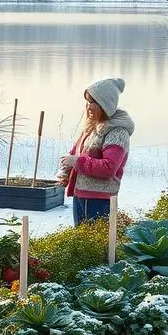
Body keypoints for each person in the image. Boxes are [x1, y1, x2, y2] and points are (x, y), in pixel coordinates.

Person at [57, 78, 134, 226]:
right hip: (81, 196)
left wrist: (76, 162)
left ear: (105, 105)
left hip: (99, 200)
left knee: (96, 245)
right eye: (87, 102)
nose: (88, 107)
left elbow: (109, 167)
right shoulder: (92, 128)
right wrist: (66, 172)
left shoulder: (117, 132)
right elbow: (75, 153)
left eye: (93, 102)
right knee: (82, 242)